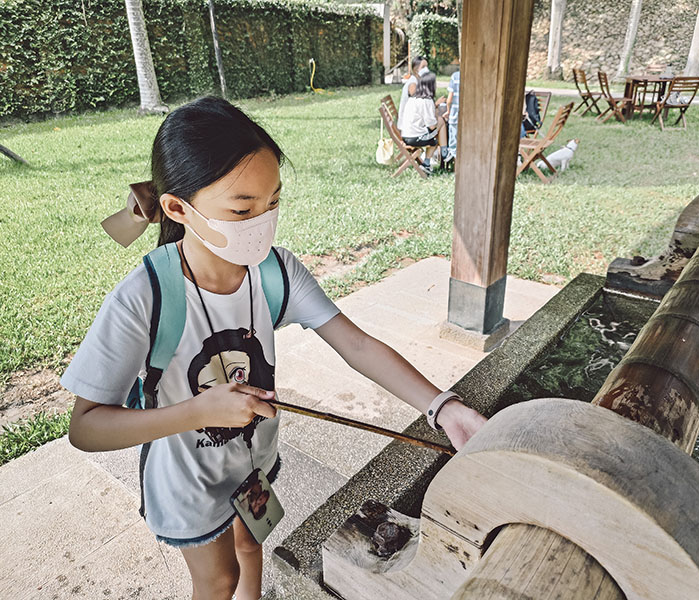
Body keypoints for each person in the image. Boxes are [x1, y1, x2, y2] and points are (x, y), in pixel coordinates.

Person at [63, 96, 487, 600]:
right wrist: (196, 410)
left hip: (253, 462)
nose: (263, 222)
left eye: (273, 202)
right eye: (242, 209)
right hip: (187, 476)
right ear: (177, 208)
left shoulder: (274, 272)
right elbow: (86, 428)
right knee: (218, 580)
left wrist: (444, 407)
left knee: (251, 546)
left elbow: (355, 343)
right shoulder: (146, 296)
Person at [399, 72, 448, 173]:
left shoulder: (413, 99)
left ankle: (435, 158)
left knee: (438, 127)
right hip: (416, 138)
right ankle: (444, 153)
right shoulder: (427, 101)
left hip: (406, 135)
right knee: (441, 123)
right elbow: (432, 126)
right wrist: (437, 111)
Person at [398, 56, 426, 126]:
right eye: (423, 67)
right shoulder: (413, 84)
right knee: (440, 121)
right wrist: (436, 104)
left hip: (413, 121)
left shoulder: (417, 81)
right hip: (410, 126)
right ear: (416, 69)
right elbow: (419, 108)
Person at [445, 68, 460, 164]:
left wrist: (448, 110)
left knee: (454, 140)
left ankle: (455, 161)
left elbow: (449, 99)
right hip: (470, 118)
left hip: (455, 114)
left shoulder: (455, 76)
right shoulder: (474, 75)